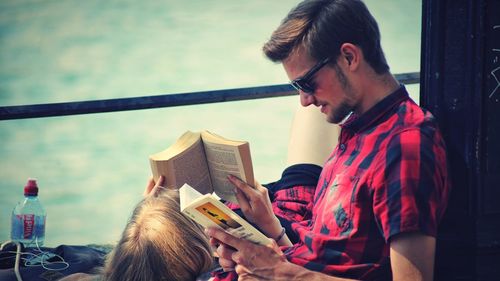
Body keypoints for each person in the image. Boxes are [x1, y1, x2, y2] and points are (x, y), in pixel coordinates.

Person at [207, 0, 451, 280]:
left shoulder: (405, 147)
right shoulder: (357, 131)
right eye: (297, 87)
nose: (305, 100)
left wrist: (281, 274)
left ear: (349, 57)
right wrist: (267, 240)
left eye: (307, 83)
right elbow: (322, 257)